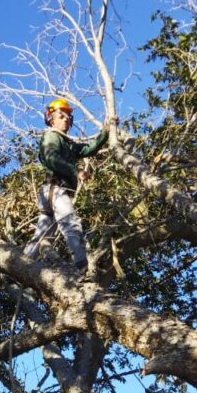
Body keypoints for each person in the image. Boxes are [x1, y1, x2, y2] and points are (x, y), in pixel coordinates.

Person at [24, 98, 113, 277]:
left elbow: (88, 149)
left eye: (67, 117)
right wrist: (76, 170)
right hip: (55, 189)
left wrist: (105, 131)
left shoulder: (67, 142)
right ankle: (83, 268)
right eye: (60, 116)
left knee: (43, 235)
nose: (65, 119)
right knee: (71, 225)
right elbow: (52, 158)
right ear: (51, 119)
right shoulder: (51, 136)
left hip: (52, 192)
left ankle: (21, 265)